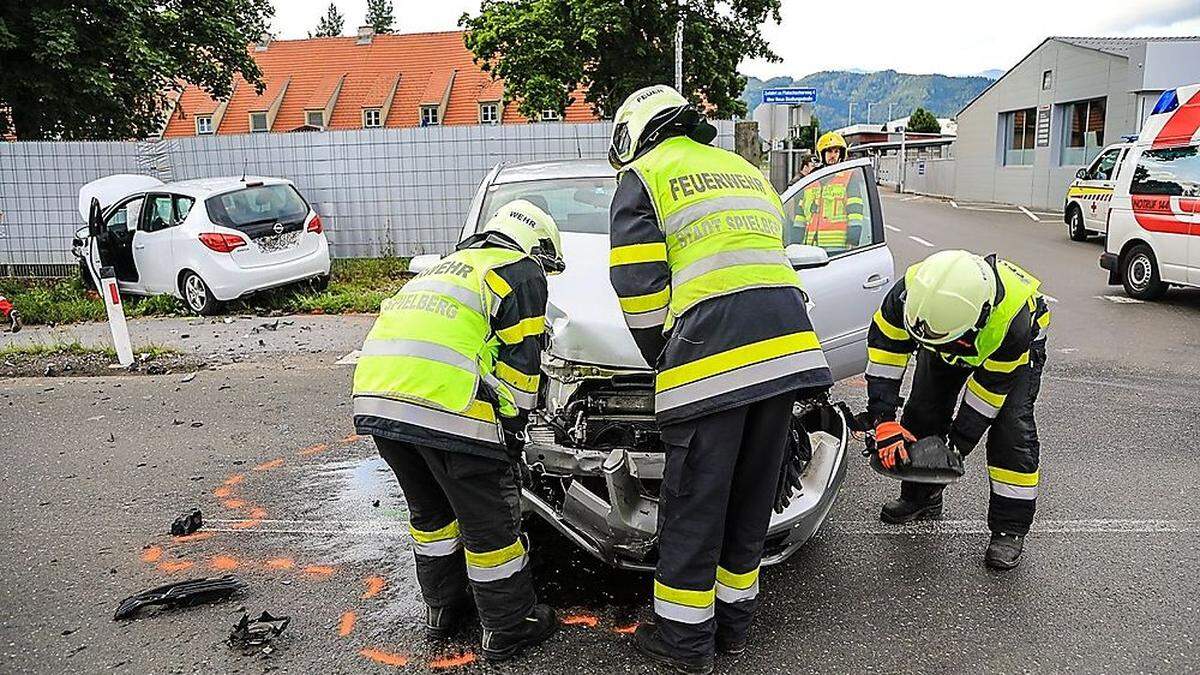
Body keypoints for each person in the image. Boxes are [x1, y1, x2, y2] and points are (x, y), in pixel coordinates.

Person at [607, 84, 833, 674]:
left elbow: (637, 287)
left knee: (695, 508)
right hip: (786, 353)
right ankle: (733, 628)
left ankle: (683, 647)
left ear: (635, 132)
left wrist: (669, 356)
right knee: (749, 500)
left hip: (713, 361)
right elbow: (763, 257)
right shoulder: (744, 170)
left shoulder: (646, 174)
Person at [351, 200, 565, 661]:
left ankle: (444, 610)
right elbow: (521, 376)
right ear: (536, 244)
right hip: (447, 407)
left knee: (432, 515)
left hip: (378, 400)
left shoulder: (448, 268)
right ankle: (509, 626)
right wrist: (513, 431)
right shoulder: (519, 269)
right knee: (488, 524)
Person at [865, 249, 1050, 570]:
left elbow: (986, 397)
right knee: (923, 410)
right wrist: (883, 420)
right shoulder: (912, 295)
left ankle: (1010, 527)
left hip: (1012, 347)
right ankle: (922, 497)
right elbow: (886, 352)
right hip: (949, 332)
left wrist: (954, 450)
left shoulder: (1010, 324)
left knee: (1011, 430)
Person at [790, 131, 865, 250]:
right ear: (822, 154)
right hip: (810, 246)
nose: (833, 155)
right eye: (829, 151)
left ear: (841, 154)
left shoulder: (848, 177)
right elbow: (801, 214)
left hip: (837, 248)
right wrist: (795, 241)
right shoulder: (812, 180)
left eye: (836, 151)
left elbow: (855, 209)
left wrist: (853, 237)